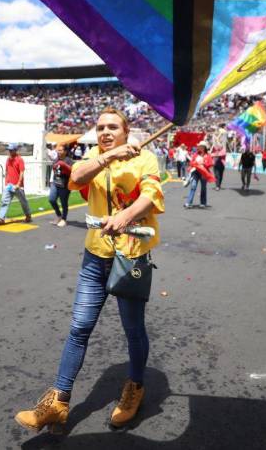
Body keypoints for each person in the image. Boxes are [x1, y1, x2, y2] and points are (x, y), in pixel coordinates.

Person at [14, 107, 164, 433]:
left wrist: (125, 217)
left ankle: (135, 387)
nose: (105, 132)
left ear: (126, 131)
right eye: (100, 128)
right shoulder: (94, 156)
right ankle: (58, 402)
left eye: (113, 127)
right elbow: (76, 179)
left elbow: (151, 197)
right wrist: (109, 157)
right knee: (80, 327)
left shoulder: (145, 158)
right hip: (95, 256)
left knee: (133, 329)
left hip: (131, 257)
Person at [0, 143, 32, 226]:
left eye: (11, 150)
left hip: (18, 186)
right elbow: (7, 170)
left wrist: (18, 183)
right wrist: (6, 181)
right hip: (9, 185)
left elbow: (22, 172)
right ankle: (1, 219)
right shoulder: (8, 159)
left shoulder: (20, 159)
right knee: (4, 201)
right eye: (9, 150)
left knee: (23, 202)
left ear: (15, 150)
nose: (9, 152)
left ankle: (28, 216)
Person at [49, 143, 73, 227]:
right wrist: (51, 181)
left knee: (64, 203)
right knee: (51, 199)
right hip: (55, 183)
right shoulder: (56, 159)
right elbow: (54, 169)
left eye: (60, 150)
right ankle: (59, 216)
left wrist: (64, 166)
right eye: (58, 150)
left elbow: (72, 171)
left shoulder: (69, 160)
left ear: (65, 151)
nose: (58, 152)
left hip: (65, 185)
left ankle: (64, 219)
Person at [184, 144, 214, 208]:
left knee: (203, 187)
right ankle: (189, 202)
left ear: (204, 147)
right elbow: (191, 163)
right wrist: (195, 163)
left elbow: (210, 164)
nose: (200, 147)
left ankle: (203, 203)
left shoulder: (207, 155)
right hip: (196, 172)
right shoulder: (196, 154)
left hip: (204, 173)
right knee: (193, 186)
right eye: (200, 146)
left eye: (202, 146)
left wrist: (204, 163)